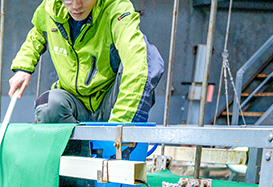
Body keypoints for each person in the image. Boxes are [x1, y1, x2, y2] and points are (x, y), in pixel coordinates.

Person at [8, 0, 164, 126]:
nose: (76, 6)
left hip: (110, 101)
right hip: (75, 103)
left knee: (145, 55)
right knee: (48, 106)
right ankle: (79, 156)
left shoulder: (117, 9)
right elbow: (37, 34)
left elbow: (137, 63)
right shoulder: (50, 9)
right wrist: (23, 67)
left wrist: (119, 129)